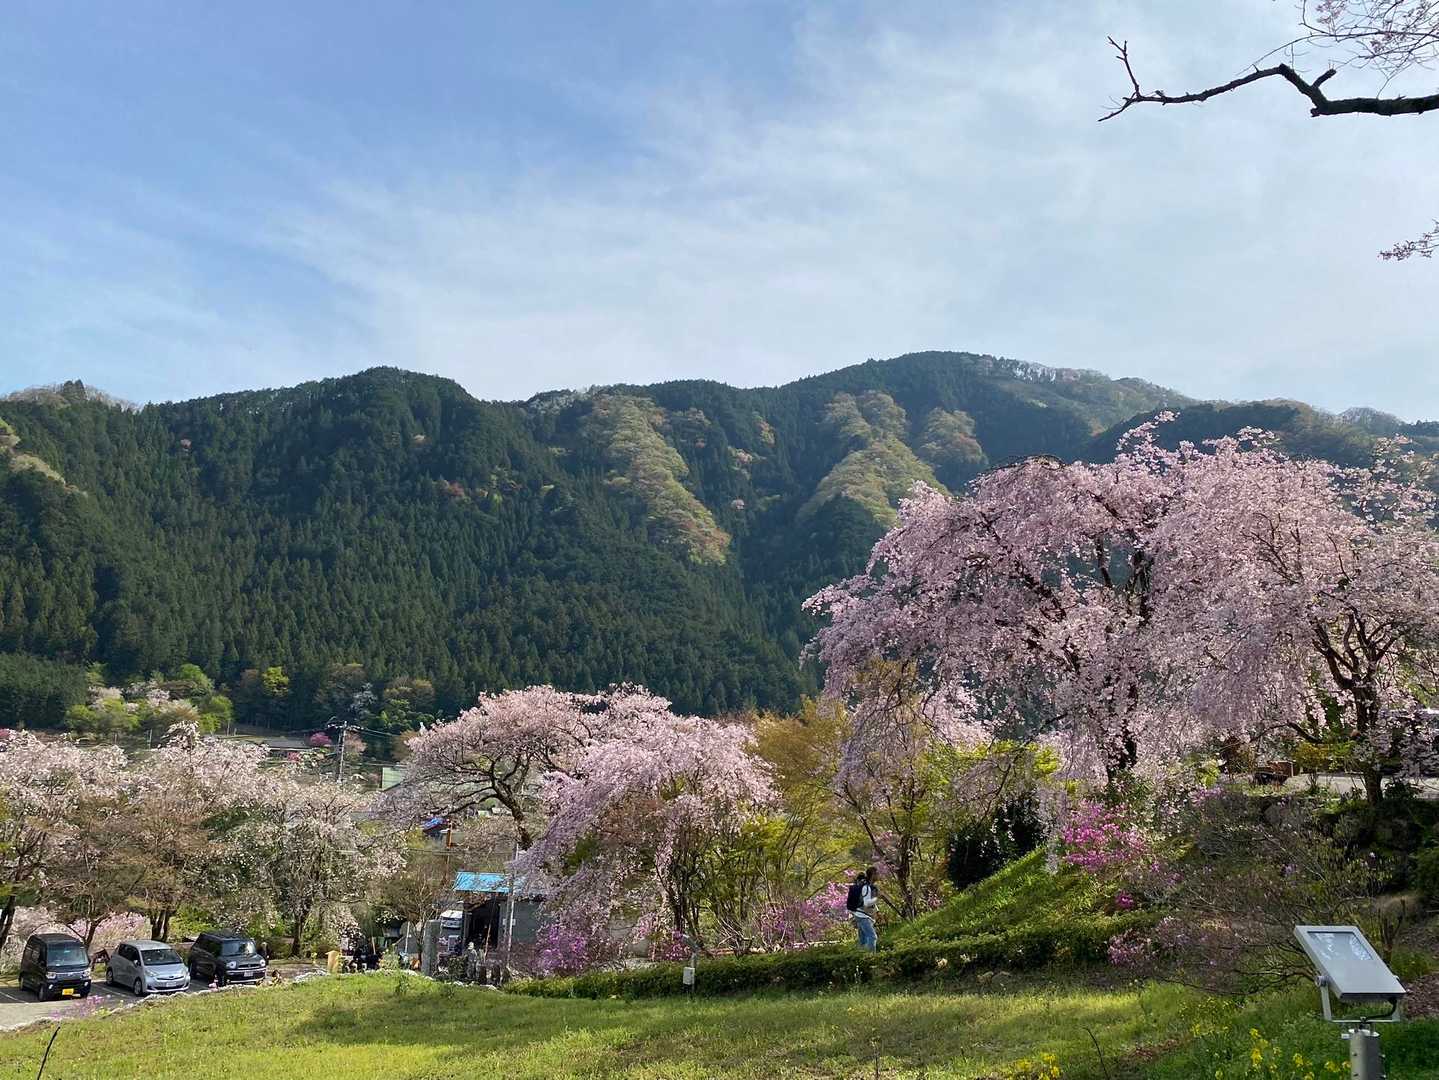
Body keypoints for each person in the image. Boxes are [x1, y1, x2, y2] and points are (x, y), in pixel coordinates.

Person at [846, 866, 880, 951]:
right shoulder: (866, 887)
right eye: (877, 873)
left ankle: (860, 956)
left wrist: (877, 911)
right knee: (872, 937)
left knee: (863, 941)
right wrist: (878, 898)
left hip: (861, 915)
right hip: (862, 915)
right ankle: (871, 957)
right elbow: (866, 903)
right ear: (873, 875)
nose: (879, 875)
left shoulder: (869, 886)